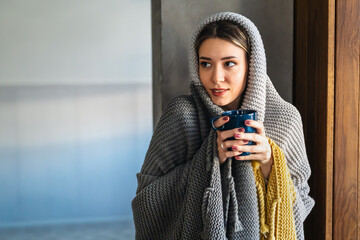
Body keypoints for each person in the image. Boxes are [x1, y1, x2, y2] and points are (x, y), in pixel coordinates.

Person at [132, 12, 314, 240]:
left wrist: (269, 163)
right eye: (205, 64)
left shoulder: (285, 119)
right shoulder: (181, 115)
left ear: (252, 65)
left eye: (229, 64)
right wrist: (210, 157)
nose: (216, 78)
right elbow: (146, 200)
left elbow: (303, 198)